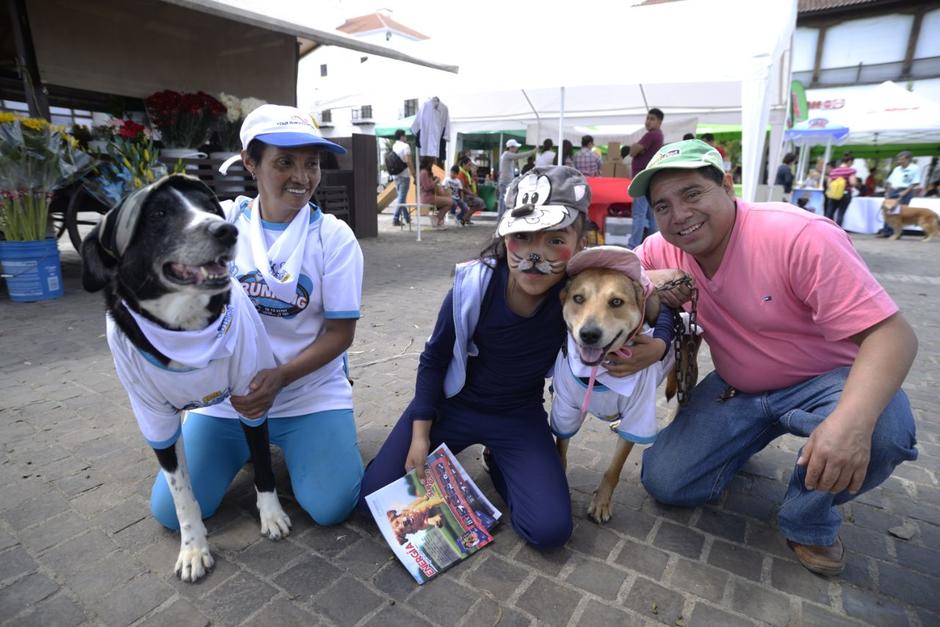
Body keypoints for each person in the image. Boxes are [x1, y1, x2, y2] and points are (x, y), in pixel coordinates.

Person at [625, 139, 918, 577]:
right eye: (662, 206)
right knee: (666, 481)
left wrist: (849, 424)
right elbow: (610, 274)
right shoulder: (662, 249)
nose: (679, 215)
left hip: (826, 382)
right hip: (736, 387)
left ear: (728, 185)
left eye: (692, 193)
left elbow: (894, 336)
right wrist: (649, 281)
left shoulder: (799, 235)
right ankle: (740, 443)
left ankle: (808, 519)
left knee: (882, 433)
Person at [360, 166, 599, 549]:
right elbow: (434, 360)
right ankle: (443, 457)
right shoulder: (474, 286)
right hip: (451, 407)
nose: (535, 255)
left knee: (550, 530)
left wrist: (658, 326)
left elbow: (639, 289)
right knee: (372, 501)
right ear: (504, 236)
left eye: (556, 240)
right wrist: (420, 436)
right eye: (522, 236)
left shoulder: (580, 296)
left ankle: (500, 462)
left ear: (580, 243)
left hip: (517, 416)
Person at [152, 104, 366, 529]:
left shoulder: (333, 237)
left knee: (331, 507)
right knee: (171, 514)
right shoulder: (222, 223)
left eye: (311, 163)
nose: (302, 177)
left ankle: (304, 440)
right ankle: (245, 446)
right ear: (250, 162)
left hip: (307, 392)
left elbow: (340, 334)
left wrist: (280, 377)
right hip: (228, 400)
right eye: (284, 162)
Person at [627, 108, 665, 248]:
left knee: (639, 214)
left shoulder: (651, 135)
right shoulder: (658, 135)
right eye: (647, 118)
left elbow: (632, 151)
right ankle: (653, 246)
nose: (648, 121)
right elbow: (635, 150)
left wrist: (636, 148)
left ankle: (633, 246)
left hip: (642, 179)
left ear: (659, 122)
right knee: (650, 215)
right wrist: (637, 149)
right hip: (649, 179)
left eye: (652, 119)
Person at [877, 151, 921, 238]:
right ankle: (886, 232)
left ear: (908, 159)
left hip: (905, 191)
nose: (899, 161)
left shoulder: (915, 168)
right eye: (898, 159)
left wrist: (905, 192)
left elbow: (915, 183)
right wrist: (888, 192)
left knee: (899, 213)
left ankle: (897, 233)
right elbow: (890, 181)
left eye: (901, 159)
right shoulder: (897, 169)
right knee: (887, 211)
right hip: (893, 190)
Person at [497, 139, 536, 218]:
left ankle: (501, 218)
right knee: (504, 201)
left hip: (505, 181)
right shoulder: (507, 154)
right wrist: (532, 151)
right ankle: (501, 218)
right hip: (505, 181)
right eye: (515, 147)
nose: (517, 149)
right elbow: (519, 156)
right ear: (511, 147)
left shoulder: (506, 155)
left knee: (504, 201)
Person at [419, 156, 454, 229]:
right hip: (427, 198)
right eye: (432, 163)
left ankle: (438, 220)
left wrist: (433, 179)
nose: (433, 164)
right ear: (428, 163)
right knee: (450, 202)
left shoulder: (424, 172)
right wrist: (436, 181)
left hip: (428, 197)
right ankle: (437, 219)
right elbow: (427, 187)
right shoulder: (424, 172)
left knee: (447, 201)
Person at [390, 129, 414, 227]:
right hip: (404, 175)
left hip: (395, 175)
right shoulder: (406, 146)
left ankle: (407, 218)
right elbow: (408, 161)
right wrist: (414, 173)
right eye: (405, 136)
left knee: (401, 198)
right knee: (401, 198)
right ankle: (395, 219)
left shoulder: (394, 146)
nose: (406, 137)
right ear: (402, 136)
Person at [825, 158, 857, 226]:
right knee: (840, 213)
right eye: (852, 162)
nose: (852, 164)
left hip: (833, 194)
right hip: (845, 194)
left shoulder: (834, 171)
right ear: (849, 161)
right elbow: (852, 182)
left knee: (830, 212)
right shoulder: (850, 170)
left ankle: (828, 227)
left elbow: (828, 184)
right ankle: (837, 230)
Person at [456, 156, 485, 220]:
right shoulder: (461, 173)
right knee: (480, 203)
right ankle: (464, 217)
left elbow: (468, 185)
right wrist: (471, 193)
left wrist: (472, 193)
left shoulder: (466, 173)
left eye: (471, 165)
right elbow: (462, 187)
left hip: (467, 194)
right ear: (464, 165)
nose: (470, 167)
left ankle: (465, 218)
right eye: (469, 165)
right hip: (462, 196)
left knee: (480, 203)